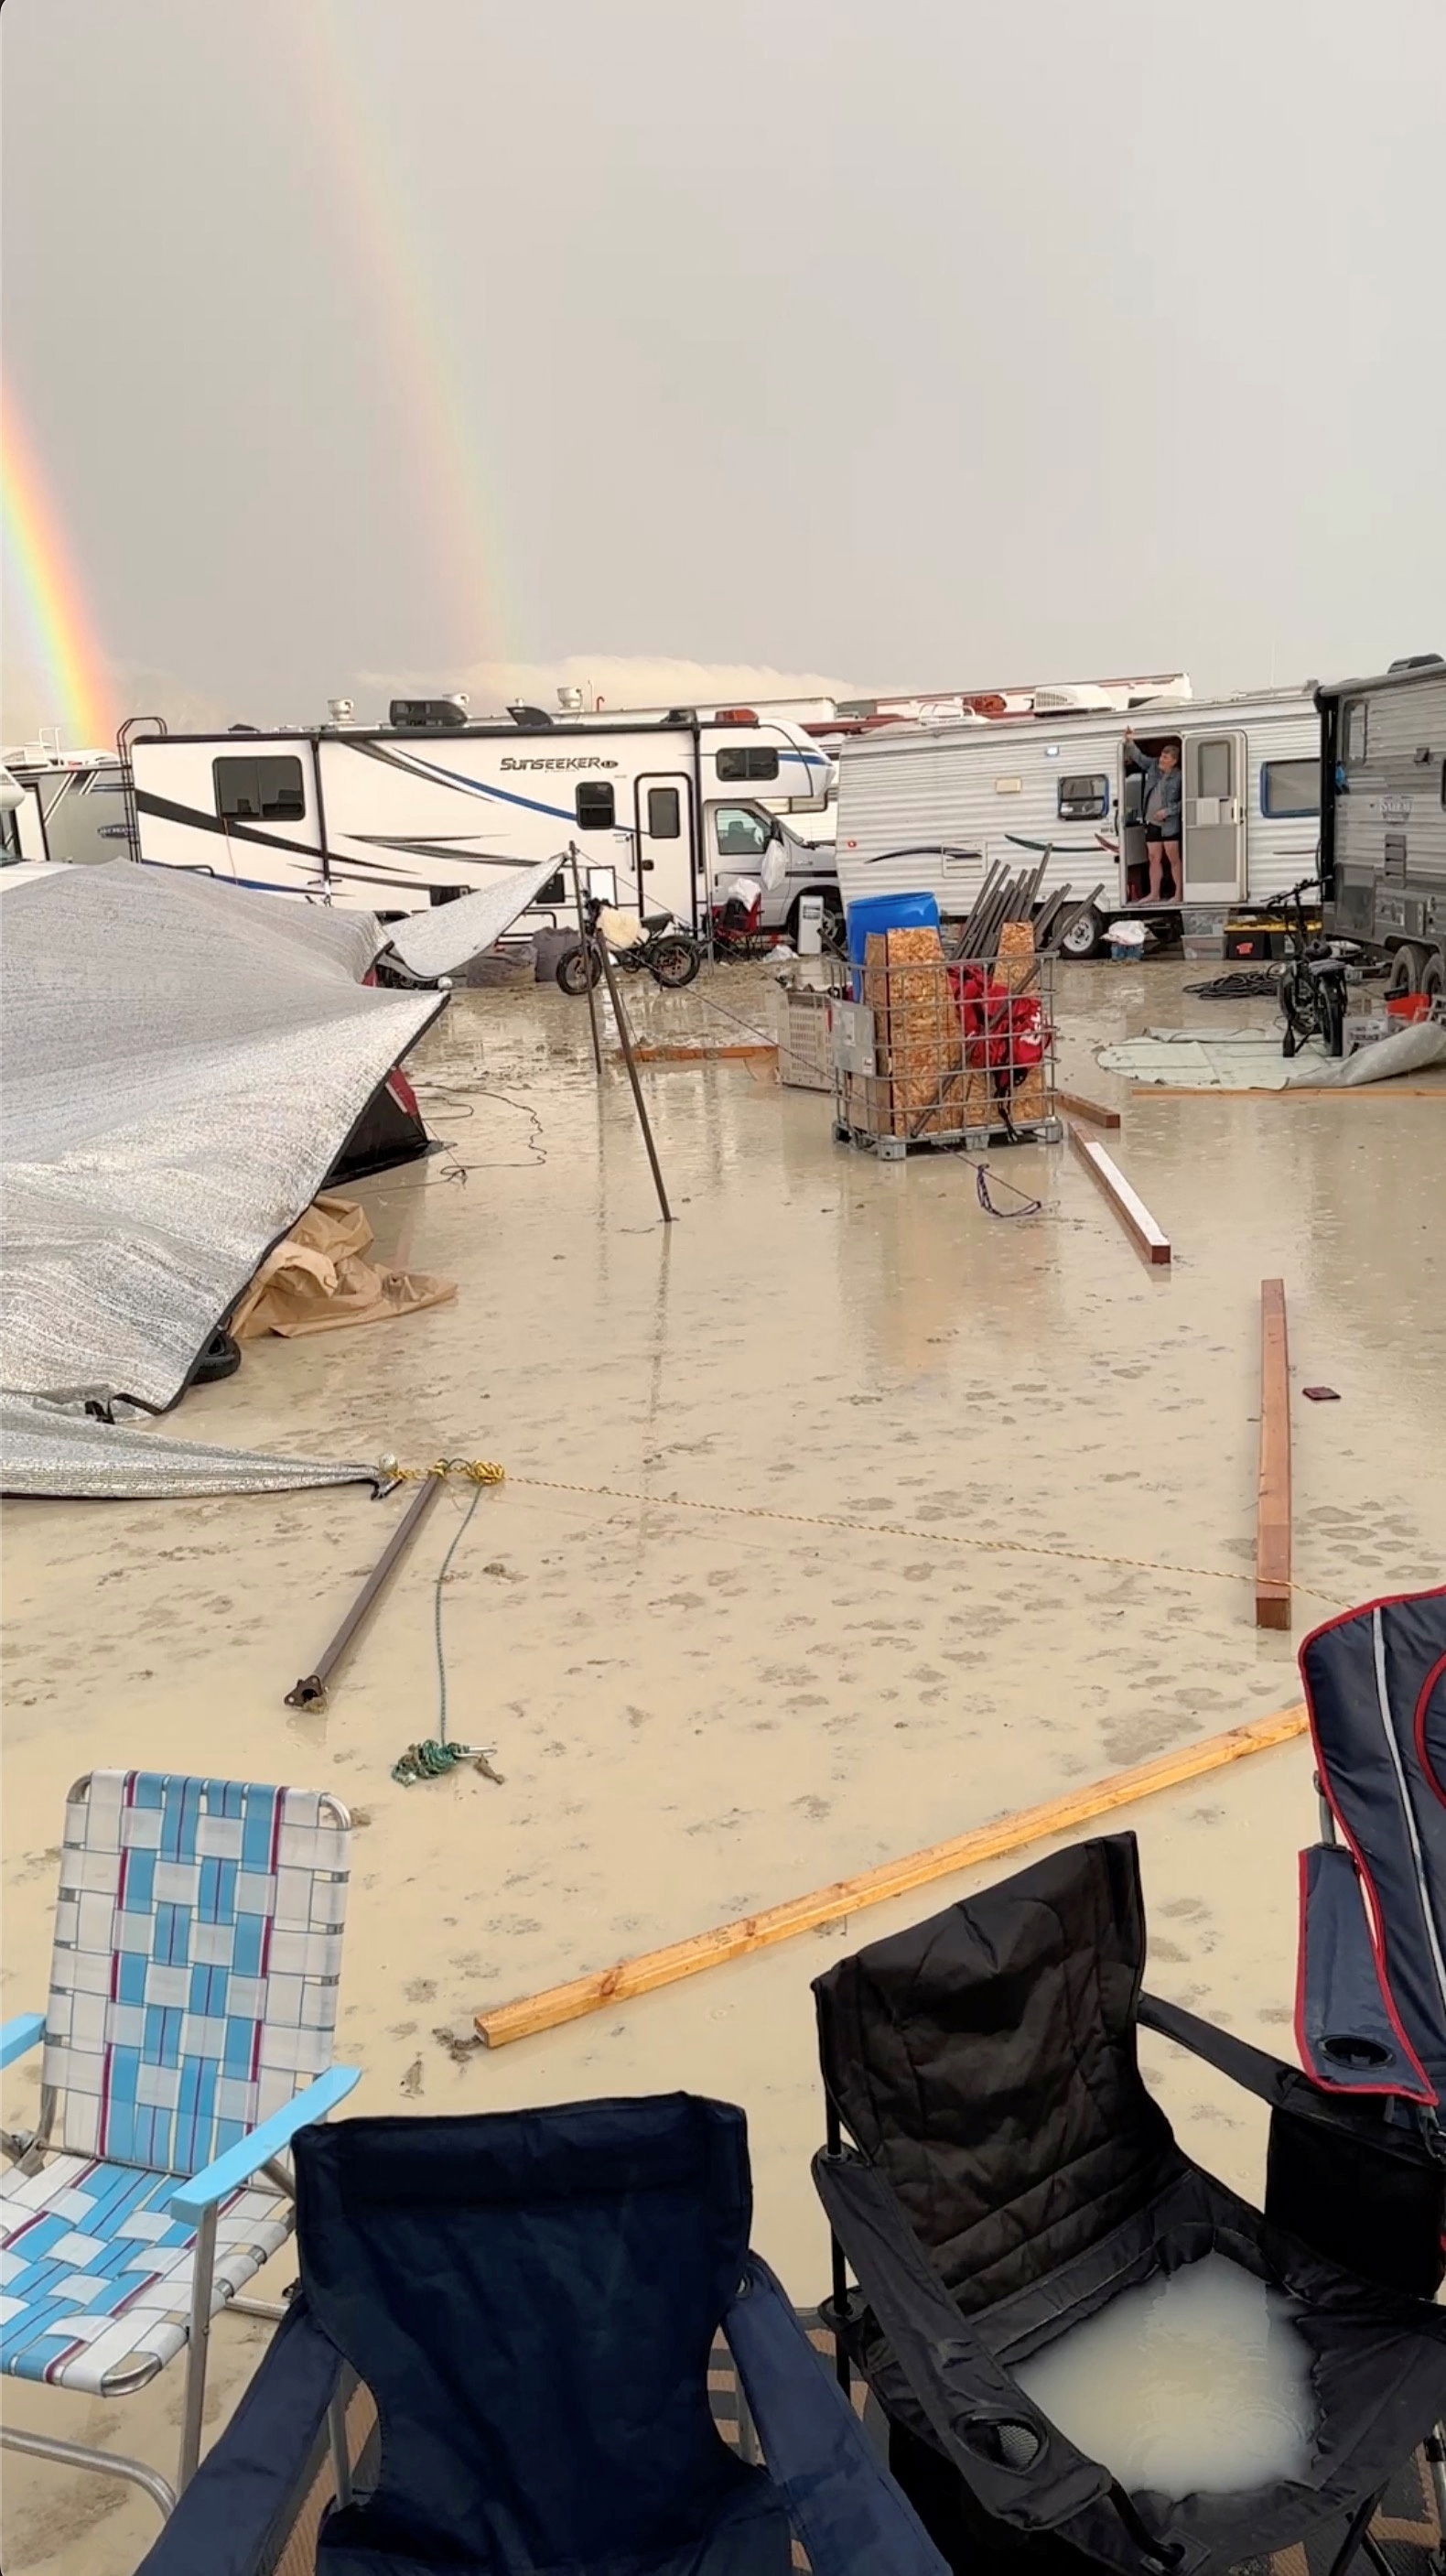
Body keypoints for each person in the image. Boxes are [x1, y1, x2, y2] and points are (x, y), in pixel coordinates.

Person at [1124, 731, 1182, 903]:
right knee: (1153, 858)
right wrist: (1129, 742)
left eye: (1165, 758)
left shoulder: (1179, 776)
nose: (1161, 760)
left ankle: (1178, 894)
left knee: (1173, 859)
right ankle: (1154, 894)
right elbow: (1139, 757)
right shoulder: (1153, 766)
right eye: (1161, 756)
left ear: (1174, 761)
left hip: (1169, 824)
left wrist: (1167, 811)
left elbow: (1184, 801)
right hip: (1152, 822)